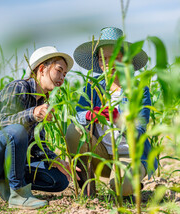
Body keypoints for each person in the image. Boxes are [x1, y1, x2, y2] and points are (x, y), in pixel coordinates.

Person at [0, 46, 79, 209]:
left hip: (4, 163)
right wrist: (32, 113)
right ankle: (18, 193)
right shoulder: (19, 87)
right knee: (17, 130)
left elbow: (37, 143)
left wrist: (54, 159)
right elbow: (3, 123)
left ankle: (3, 184)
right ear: (41, 69)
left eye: (65, 74)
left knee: (59, 180)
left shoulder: (41, 102)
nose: (62, 78)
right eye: (59, 70)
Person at [66, 27, 158, 197]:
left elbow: (140, 130)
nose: (107, 63)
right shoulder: (92, 87)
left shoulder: (138, 90)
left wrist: (119, 120)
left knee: (120, 189)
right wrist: (88, 115)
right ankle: (87, 190)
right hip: (102, 155)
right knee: (73, 131)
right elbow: (77, 116)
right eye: (103, 59)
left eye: (114, 57)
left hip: (129, 155)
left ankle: (131, 183)